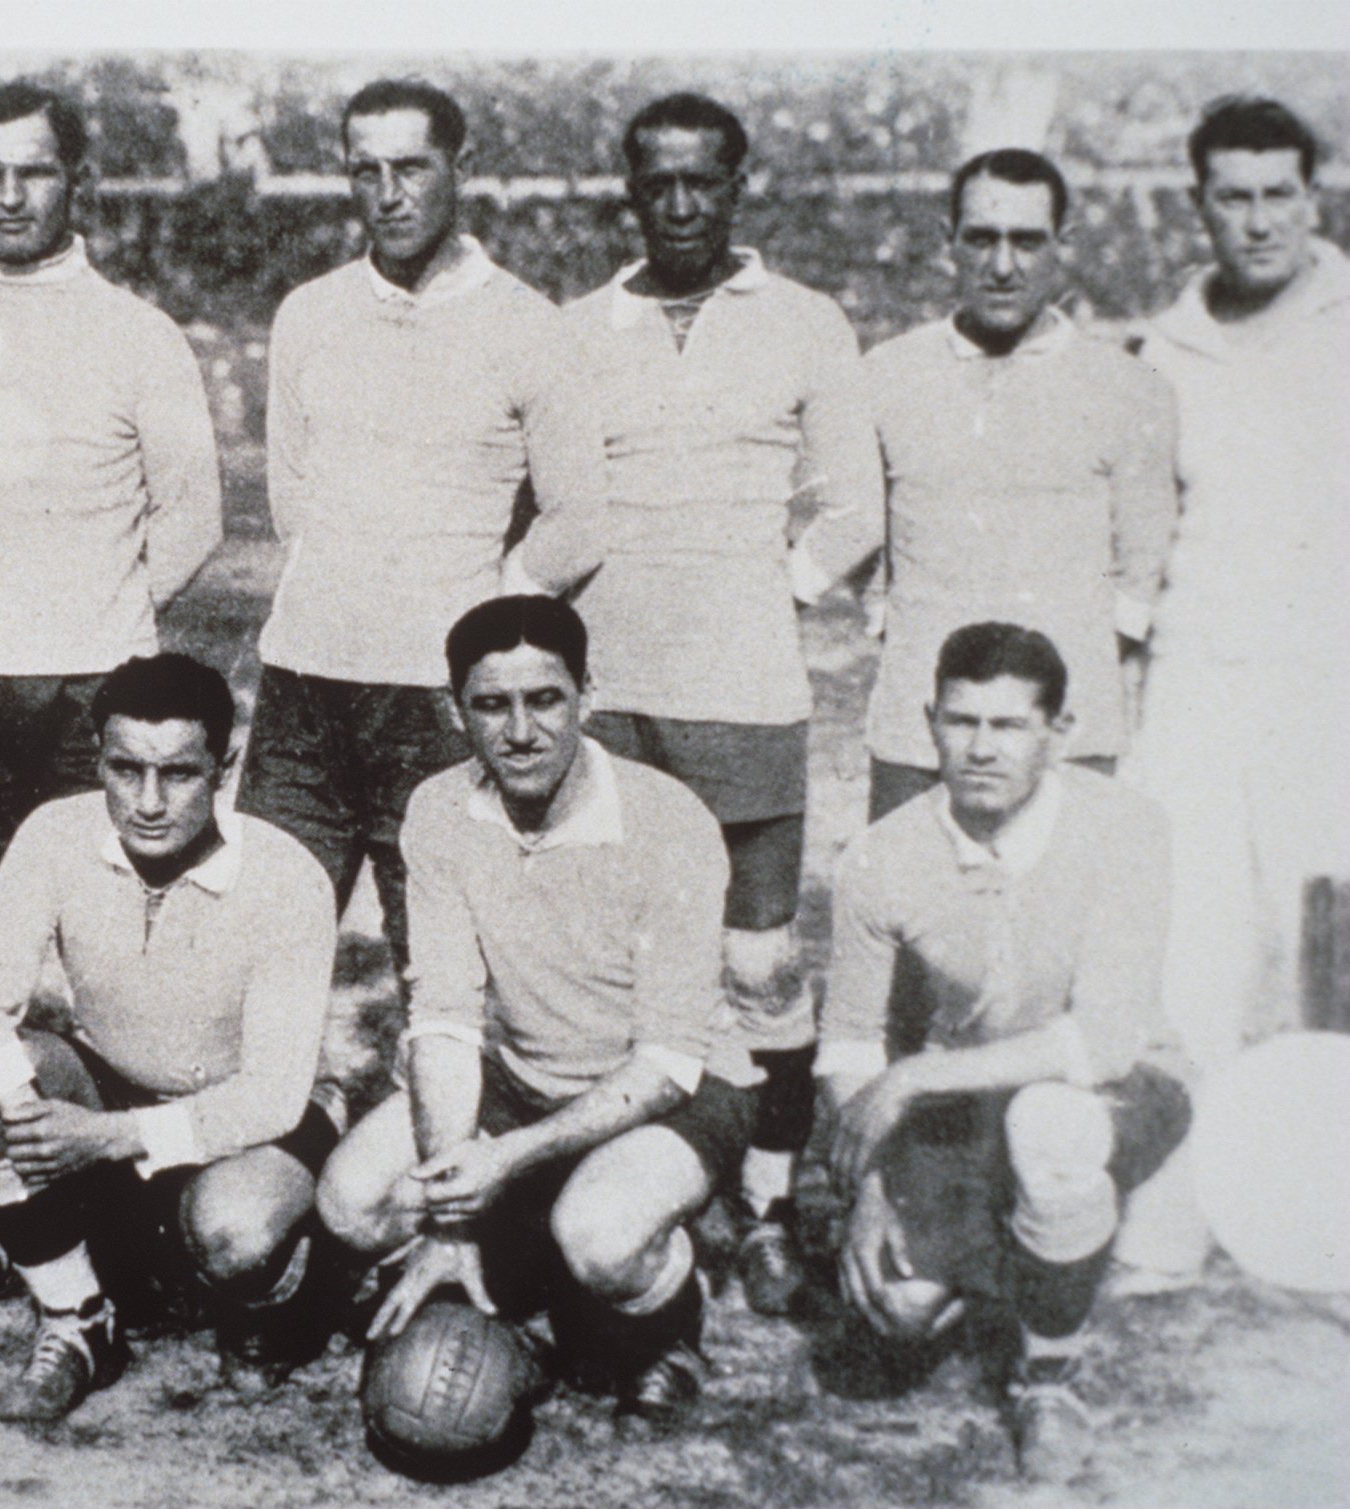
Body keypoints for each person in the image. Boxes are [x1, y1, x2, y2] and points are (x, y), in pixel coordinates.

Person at [555, 93, 882, 1309]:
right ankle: (627, 1186)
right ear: (629, 191)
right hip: (611, 696)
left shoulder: (803, 322)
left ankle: (769, 1203)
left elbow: (853, 505)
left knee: (754, 965)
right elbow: (547, 498)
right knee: (615, 962)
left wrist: (772, 586)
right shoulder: (580, 329)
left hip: (743, 692)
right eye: (658, 184)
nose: (681, 205)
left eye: (704, 181)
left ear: (739, 185)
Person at [317, 596, 754, 1438]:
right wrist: (450, 1221)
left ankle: (670, 1314)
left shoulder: (666, 819)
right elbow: (442, 1015)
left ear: (587, 696)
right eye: (491, 704)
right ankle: (514, 1252)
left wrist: (508, 1157)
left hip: (674, 1086)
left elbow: (667, 1058)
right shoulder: (439, 809)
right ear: (456, 712)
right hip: (518, 1080)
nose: (520, 730)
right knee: (353, 1203)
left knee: (598, 1235)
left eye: (543, 699)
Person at [238, 78, 603, 970]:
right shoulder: (309, 313)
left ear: (458, 168)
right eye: (366, 171)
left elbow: (580, 518)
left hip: (433, 702)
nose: (389, 193)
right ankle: (273, 1110)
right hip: (302, 684)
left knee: (440, 964)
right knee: (258, 947)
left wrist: (481, 613)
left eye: (411, 167)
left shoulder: (527, 325)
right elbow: (293, 500)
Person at [818, 622, 1188, 1484]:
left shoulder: (1125, 827)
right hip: (967, 1106)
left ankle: (1047, 1377)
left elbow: (1100, 1040)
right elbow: (846, 1040)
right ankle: (1031, 1248)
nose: (980, 748)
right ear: (928, 721)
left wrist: (912, 1077)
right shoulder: (881, 852)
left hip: (1122, 1083)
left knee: (1050, 1127)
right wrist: (869, 1186)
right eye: (960, 722)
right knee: (898, 1309)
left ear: (1058, 734)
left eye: (1009, 725)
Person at [0, 81, 223, 948]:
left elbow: (193, 513)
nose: (11, 197)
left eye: (35, 173)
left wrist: (102, 609)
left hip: (96, 681)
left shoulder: (139, 332)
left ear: (77, 183)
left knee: (101, 923)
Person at [0, 653, 340, 1421]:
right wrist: (32, 1119)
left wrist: (103, 1138)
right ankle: (78, 1318)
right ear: (97, 759)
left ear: (222, 769)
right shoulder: (54, 833)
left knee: (235, 1231)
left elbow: (273, 1094)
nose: (148, 802)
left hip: (247, 1121)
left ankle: (281, 1288)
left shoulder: (288, 876)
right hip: (109, 1089)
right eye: (125, 770)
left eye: (179, 775)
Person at [1111, 96, 1350, 1290]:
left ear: (1315, 195)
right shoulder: (1163, 351)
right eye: (1232, 197)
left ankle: (1326, 1224)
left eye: (1277, 194)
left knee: (1328, 958)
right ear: (1198, 203)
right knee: (1188, 956)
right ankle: (1174, 1215)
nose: (1256, 221)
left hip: (1330, 692)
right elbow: (1143, 546)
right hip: (1198, 686)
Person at [824, 149, 1178, 821]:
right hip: (919, 726)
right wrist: (891, 623)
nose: (1002, 264)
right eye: (982, 238)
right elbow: (859, 525)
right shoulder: (885, 375)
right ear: (946, 243)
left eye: (1026, 240)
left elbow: (1141, 566)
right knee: (916, 908)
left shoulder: (1126, 386)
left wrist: (1079, 659)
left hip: (1065, 730)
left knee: (1061, 918)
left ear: (1062, 246)